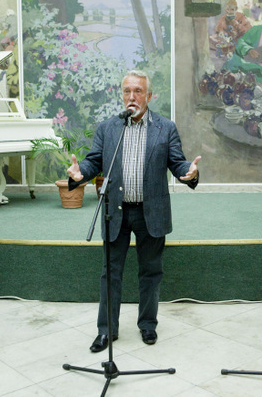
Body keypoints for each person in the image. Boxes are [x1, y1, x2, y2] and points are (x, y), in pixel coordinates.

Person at [67, 70, 201, 353]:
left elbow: (177, 162)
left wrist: (188, 172)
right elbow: (94, 161)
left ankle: (148, 324)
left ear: (149, 96)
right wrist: (80, 173)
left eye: (138, 91)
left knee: (151, 271)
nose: (132, 96)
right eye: (127, 91)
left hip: (151, 211)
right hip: (115, 211)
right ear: (122, 95)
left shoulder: (165, 128)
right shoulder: (108, 128)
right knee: (110, 273)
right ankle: (106, 330)